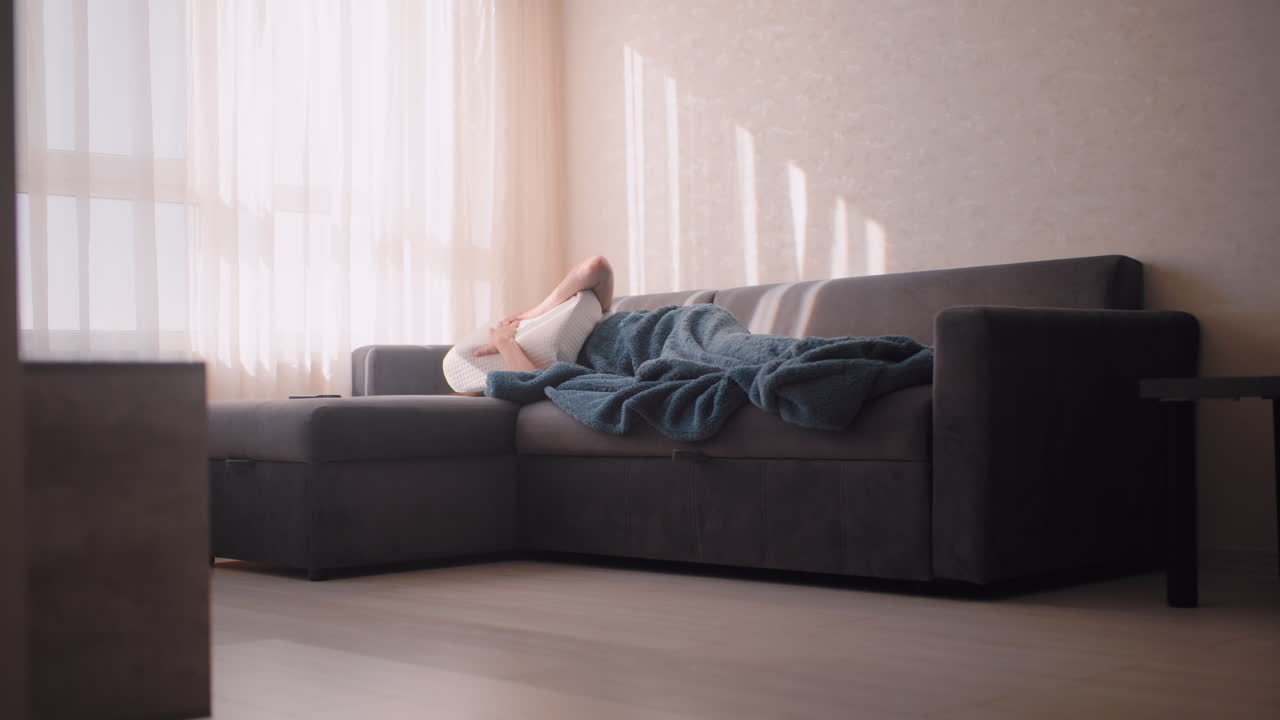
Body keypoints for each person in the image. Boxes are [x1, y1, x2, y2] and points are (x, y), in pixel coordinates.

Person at [473, 255, 614, 372]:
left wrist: (536, 312)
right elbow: (531, 384)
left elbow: (596, 266)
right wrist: (504, 343)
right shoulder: (570, 370)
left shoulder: (591, 312)